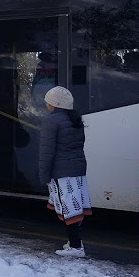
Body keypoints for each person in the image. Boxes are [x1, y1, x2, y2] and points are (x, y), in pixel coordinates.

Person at [39, 85, 91, 257]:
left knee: (68, 208)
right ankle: (75, 243)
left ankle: (76, 247)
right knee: (75, 207)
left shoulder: (51, 121)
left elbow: (47, 151)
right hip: (77, 169)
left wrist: (44, 175)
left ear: (54, 104)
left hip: (62, 171)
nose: (46, 104)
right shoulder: (74, 119)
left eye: (48, 102)